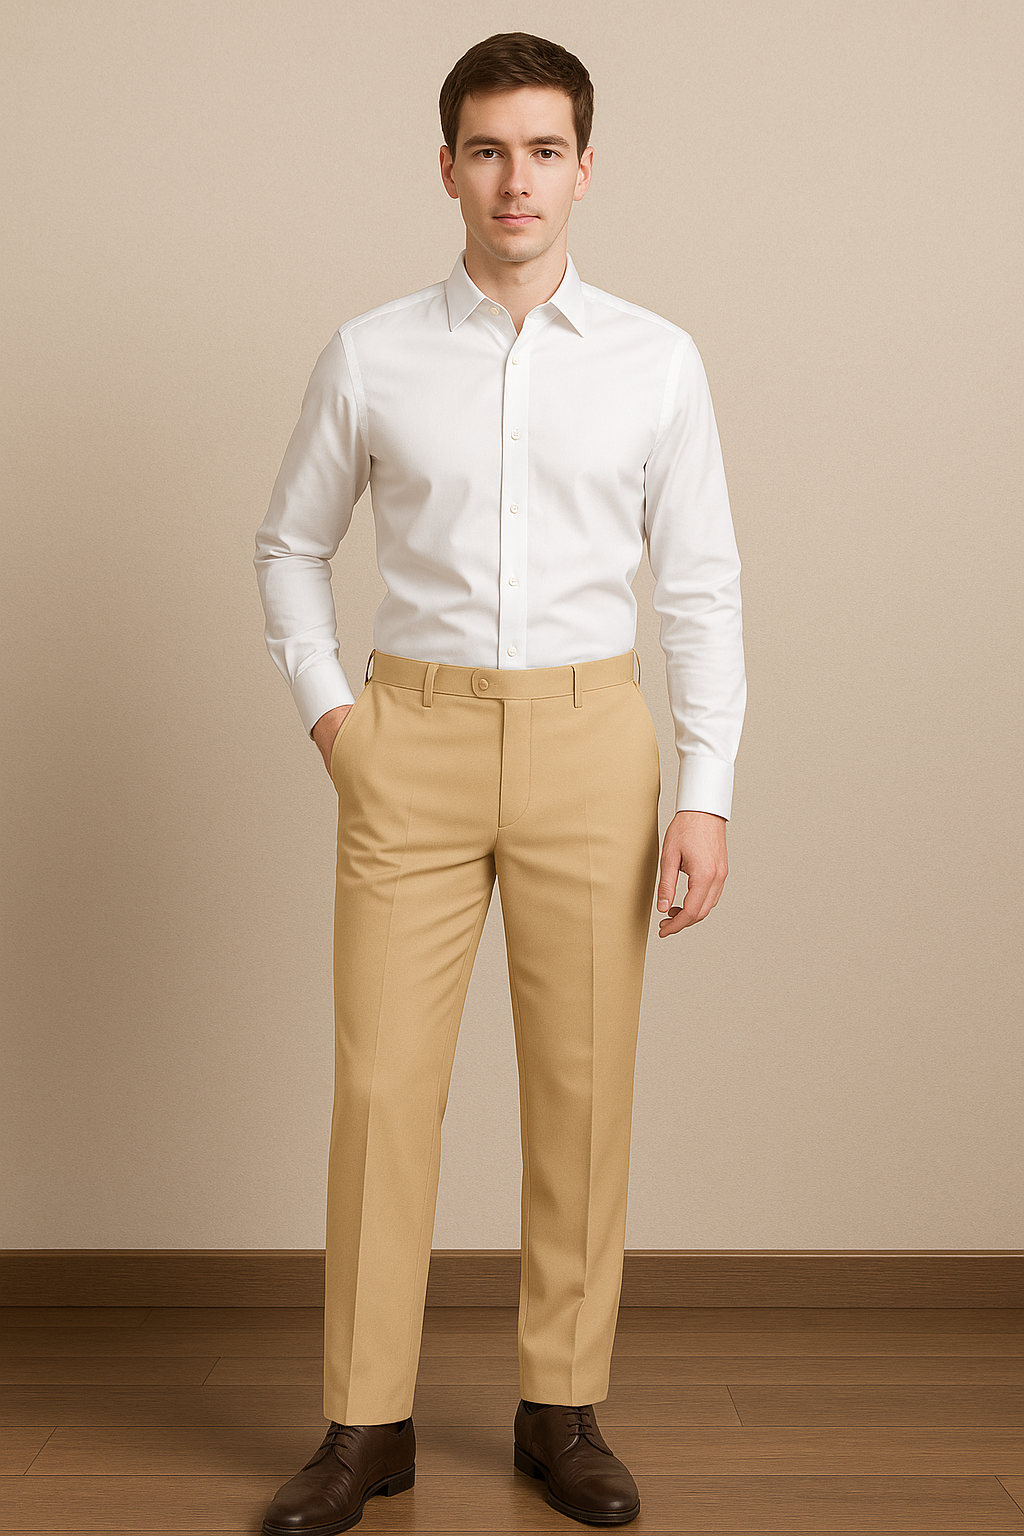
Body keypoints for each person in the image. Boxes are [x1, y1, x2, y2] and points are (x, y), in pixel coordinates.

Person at [253, 30, 745, 1533]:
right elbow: (290, 545)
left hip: (595, 742)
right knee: (380, 1092)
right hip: (411, 741)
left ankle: (561, 1409)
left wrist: (706, 789)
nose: (514, 179)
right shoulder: (372, 352)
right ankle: (365, 1426)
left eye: (543, 150)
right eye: (487, 150)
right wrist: (338, 721)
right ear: (448, 168)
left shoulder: (658, 361)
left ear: (586, 169)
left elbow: (701, 590)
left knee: (583, 1091)